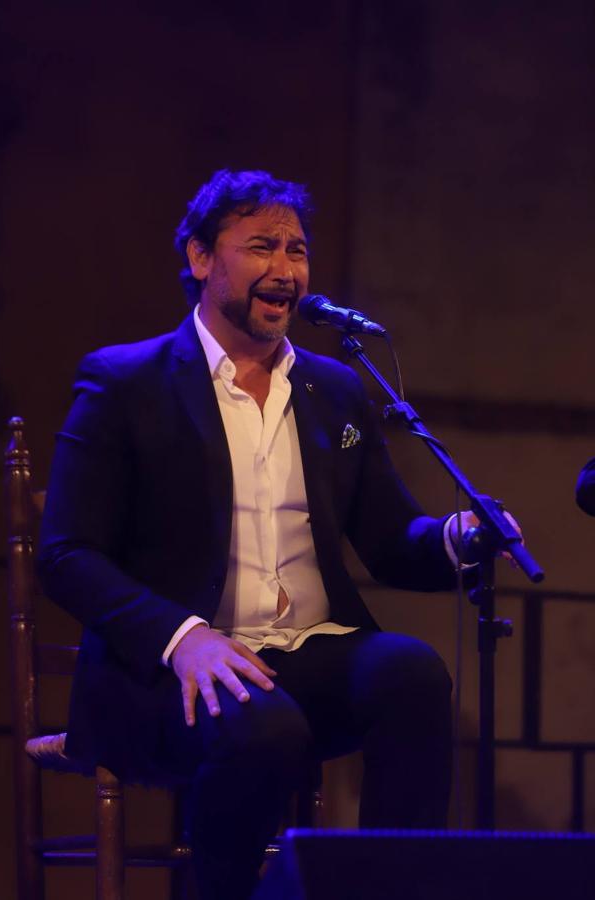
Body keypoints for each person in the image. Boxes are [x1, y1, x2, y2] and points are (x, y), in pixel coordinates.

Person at [39, 169, 477, 900]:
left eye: (298, 250)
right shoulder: (125, 383)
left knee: (413, 674)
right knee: (264, 728)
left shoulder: (335, 387)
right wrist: (185, 638)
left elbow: (390, 536)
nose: (286, 270)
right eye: (262, 246)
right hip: (171, 668)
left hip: (311, 651)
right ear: (201, 258)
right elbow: (65, 554)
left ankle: (387, 890)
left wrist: (458, 539)